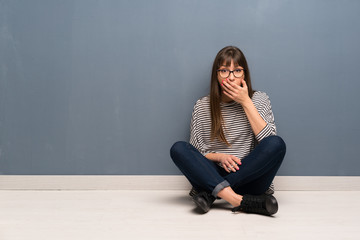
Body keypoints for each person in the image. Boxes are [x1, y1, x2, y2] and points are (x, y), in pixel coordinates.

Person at [170, 46, 286, 216]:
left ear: (244, 74)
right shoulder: (202, 106)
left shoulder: (259, 99)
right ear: (216, 75)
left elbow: (268, 142)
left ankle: (211, 195)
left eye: (237, 71)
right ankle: (239, 201)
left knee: (278, 144)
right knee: (178, 148)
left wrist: (246, 102)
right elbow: (198, 152)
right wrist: (220, 156)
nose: (231, 77)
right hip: (211, 174)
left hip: (249, 177)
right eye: (224, 71)